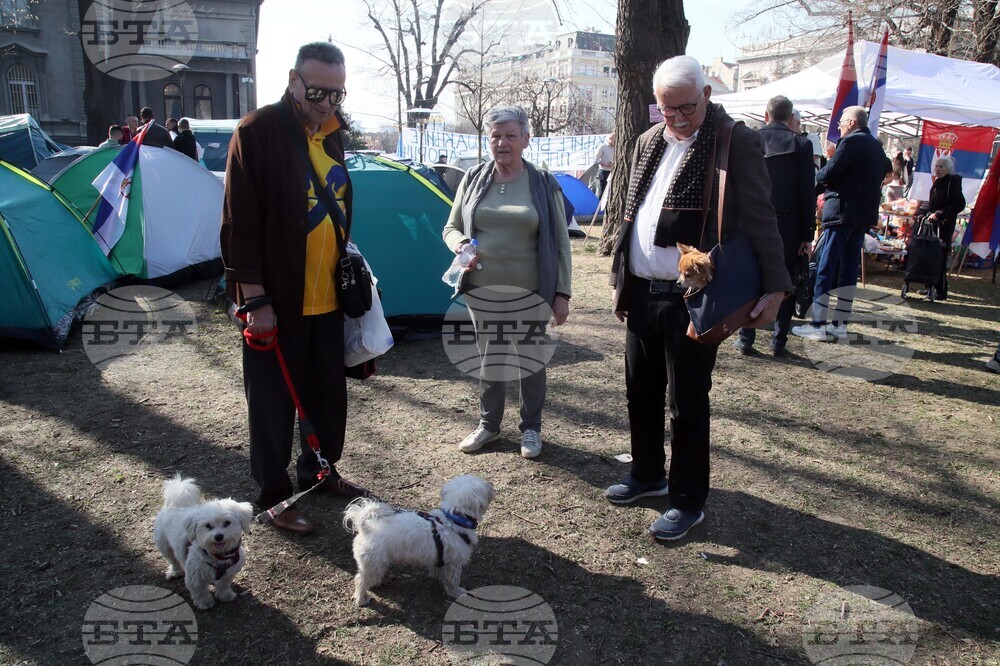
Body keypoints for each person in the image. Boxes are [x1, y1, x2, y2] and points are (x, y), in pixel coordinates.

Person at [606, 56, 791, 541]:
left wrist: (776, 286)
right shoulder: (648, 140)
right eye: (667, 110)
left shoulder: (734, 141)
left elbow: (760, 216)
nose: (678, 118)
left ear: (706, 94)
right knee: (639, 391)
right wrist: (620, 276)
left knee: (686, 401)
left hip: (694, 297)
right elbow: (632, 213)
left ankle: (688, 501)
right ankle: (647, 474)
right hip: (643, 291)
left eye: (686, 107)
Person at [220, 41, 369, 535]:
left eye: (337, 93)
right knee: (272, 405)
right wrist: (254, 299)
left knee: (326, 397)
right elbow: (239, 224)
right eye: (317, 90)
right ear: (293, 80)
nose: (326, 102)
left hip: (327, 300)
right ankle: (273, 496)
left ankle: (320, 472)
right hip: (276, 304)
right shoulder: (257, 131)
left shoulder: (332, 137)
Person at [442, 104, 572, 460]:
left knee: (530, 362)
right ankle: (489, 425)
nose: (502, 143)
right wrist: (460, 243)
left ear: (526, 140)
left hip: (531, 290)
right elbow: (450, 227)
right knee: (490, 359)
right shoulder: (473, 179)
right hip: (482, 290)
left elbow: (561, 241)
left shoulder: (542, 183)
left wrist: (562, 292)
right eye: (495, 136)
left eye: (510, 135)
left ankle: (531, 429)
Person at [792, 106, 886, 342]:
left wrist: (819, 176)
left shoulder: (851, 142)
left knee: (826, 267)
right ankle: (840, 324)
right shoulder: (875, 145)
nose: (839, 127)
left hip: (842, 213)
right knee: (848, 271)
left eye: (842, 122)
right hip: (862, 216)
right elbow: (881, 172)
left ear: (852, 122)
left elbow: (829, 173)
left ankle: (818, 324)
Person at [735, 96, 814, 357]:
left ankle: (746, 336)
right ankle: (779, 340)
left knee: (750, 276)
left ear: (765, 115)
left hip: (752, 220)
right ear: (790, 118)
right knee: (787, 279)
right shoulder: (801, 144)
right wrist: (807, 234)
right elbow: (806, 193)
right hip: (787, 223)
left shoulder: (750, 139)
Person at [922, 155, 965, 299]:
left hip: (944, 224)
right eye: (936, 166)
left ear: (948, 169)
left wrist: (940, 214)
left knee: (940, 255)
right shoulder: (937, 182)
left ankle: (940, 289)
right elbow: (932, 203)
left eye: (941, 166)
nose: (938, 169)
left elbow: (959, 204)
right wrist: (924, 213)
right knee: (929, 254)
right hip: (933, 223)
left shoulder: (952, 182)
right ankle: (929, 286)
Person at [593, 133, 616, 198]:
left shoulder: (616, 147)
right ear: (610, 139)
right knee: (601, 191)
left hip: (612, 171)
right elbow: (595, 159)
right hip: (603, 171)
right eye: (614, 139)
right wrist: (605, 164)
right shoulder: (602, 147)